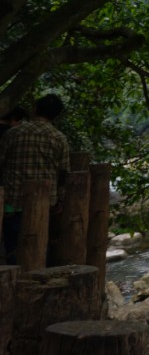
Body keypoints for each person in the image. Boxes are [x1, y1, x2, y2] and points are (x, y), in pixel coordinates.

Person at [1, 94, 70, 265]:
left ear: (35, 109)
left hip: (13, 201)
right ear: (56, 115)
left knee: (12, 246)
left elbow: (0, 160)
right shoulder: (59, 138)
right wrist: (60, 199)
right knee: (39, 244)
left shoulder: (14, 133)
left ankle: (13, 281)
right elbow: (63, 173)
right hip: (44, 204)